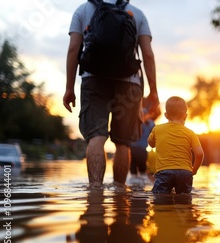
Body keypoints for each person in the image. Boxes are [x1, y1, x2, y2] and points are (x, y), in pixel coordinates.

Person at [63, 0, 159, 187]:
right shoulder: (136, 13)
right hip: (129, 85)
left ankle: (95, 192)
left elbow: (74, 49)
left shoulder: (82, 10)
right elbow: (148, 55)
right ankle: (119, 193)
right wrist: (153, 91)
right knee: (123, 142)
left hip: (93, 80)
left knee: (96, 137)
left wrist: (69, 88)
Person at [148, 96, 204, 194]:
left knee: (160, 200)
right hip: (184, 173)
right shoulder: (190, 133)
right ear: (185, 116)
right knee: (184, 201)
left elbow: (151, 143)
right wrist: (193, 170)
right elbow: (199, 154)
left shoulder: (157, 129)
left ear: (166, 115)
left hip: (164, 172)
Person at [129, 98, 160, 182]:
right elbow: (155, 135)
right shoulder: (150, 122)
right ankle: (140, 182)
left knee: (135, 170)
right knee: (141, 170)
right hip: (140, 149)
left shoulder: (137, 116)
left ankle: (135, 182)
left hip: (135, 148)